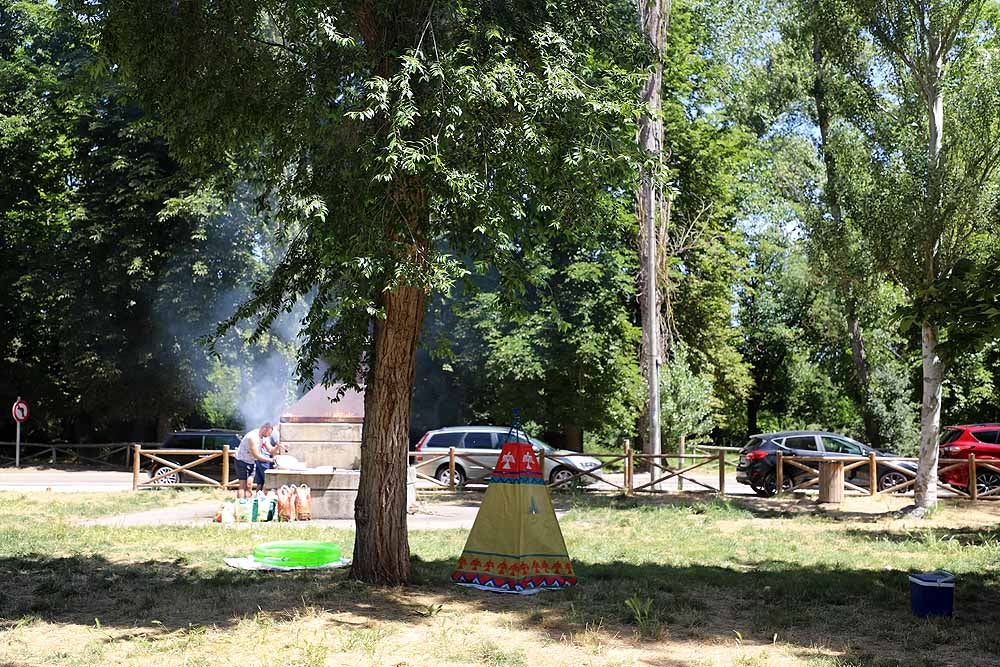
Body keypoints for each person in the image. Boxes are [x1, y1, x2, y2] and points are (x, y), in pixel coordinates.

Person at [235, 423, 274, 499]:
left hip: (252, 461)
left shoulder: (264, 437)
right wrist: (271, 460)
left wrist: (278, 446)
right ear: (264, 429)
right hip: (242, 460)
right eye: (269, 433)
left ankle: (247, 502)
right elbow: (256, 455)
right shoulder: (252, 437)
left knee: (249, 485)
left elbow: (270, 450)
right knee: (243, 485)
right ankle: (240, 505)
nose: (269, 435)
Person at [254, 427, 286, 493]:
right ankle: (267, 500)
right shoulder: (276, 432)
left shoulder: (259, 432)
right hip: (266, 460)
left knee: (259, 483)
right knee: (269, 482)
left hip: (257, 459)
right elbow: (274, 449)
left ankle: (257, 499)